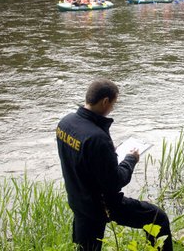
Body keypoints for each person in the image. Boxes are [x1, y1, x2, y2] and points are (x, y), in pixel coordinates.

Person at [56, 79, 173, 251]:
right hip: (102, 205)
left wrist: (108, 155)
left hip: (78, 200)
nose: (112, 108)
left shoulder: (65, 123)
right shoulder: (97, 138)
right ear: (105, 101)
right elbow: (115, 181)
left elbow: (81, 159)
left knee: (88, 247)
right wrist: (131, 159)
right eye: (113, 104)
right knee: (157, 218)